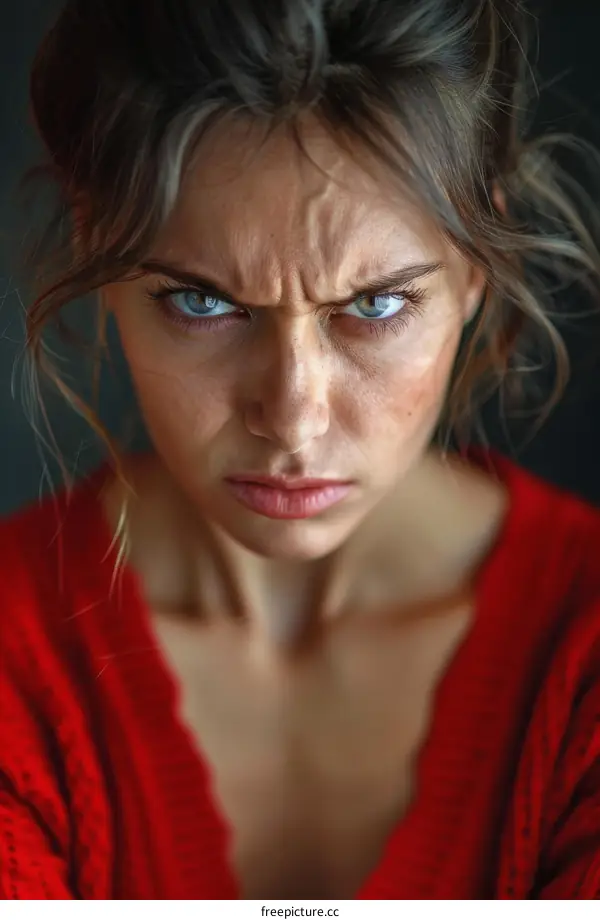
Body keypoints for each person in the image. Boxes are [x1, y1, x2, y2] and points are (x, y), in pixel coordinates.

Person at [1, 0, 600, 901]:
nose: (293, 418)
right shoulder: (15, 655)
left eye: (374, 306)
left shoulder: (583, 647)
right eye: (203, 303)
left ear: (476, 267)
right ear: (96, 241)